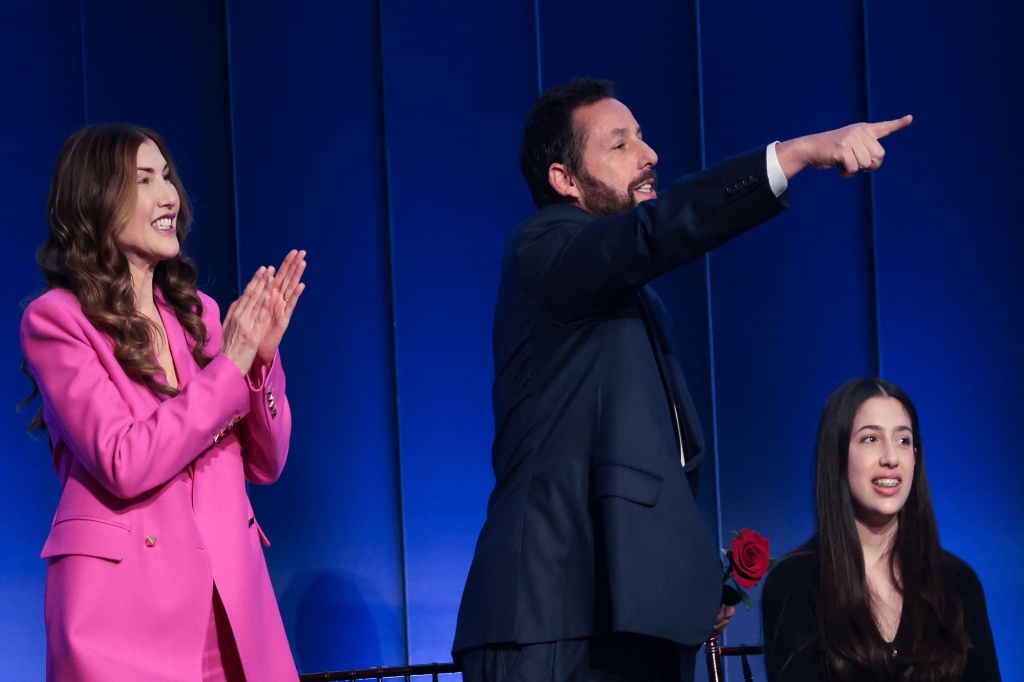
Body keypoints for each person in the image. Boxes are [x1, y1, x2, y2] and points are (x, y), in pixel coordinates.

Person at [452, 77, 912, 682]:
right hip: (555, 619)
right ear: (565, 179)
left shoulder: (630, 300)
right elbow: (657, 230)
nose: (649, 156)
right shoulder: (543, 247)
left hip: (625, 623)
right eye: (620, 145)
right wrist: (796, 155)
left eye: (643, 138)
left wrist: (693, 581)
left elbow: (651, 466)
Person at [20, 124, 306, 682]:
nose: (169, 195)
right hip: (123, 619)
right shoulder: (57, 320)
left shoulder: (200, 314)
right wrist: (232, 365)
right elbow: (124, 461)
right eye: (144, 180)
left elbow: (266, 464)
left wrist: (262, 361)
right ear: (96, 199)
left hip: (230, 607)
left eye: (168, 177)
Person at [761, 378, 1000, 681]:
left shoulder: (956, 583)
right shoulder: (796, 582)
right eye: (870, 439)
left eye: (903, 440)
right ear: (837, 455)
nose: (890, 458)